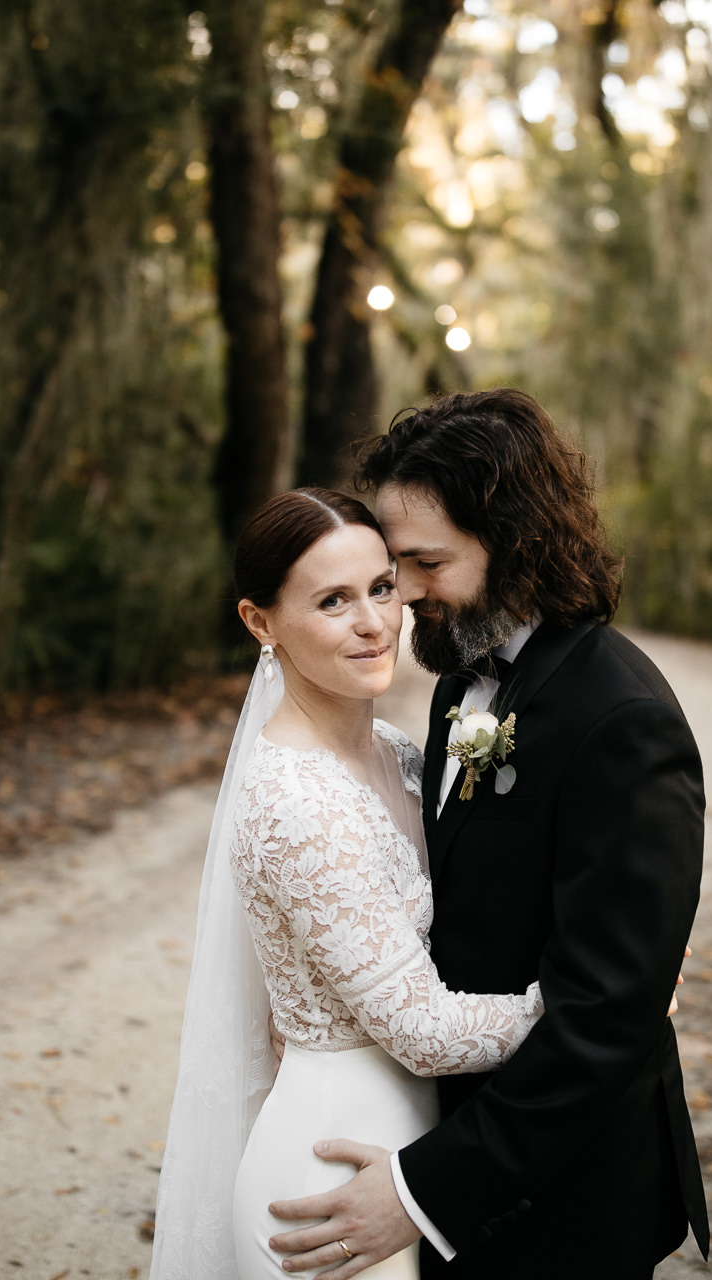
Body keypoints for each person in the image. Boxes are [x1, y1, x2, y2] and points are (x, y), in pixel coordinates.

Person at [263, 388, 710, 1278]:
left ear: (517, 540)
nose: (406, 595)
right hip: (459, 1138)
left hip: (563, 1191)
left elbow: (603, 1022)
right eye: (399, 564)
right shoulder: (459, 676)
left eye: (427, 563)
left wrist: (426, 1192)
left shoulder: (621, 721)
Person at [149, 487, 548, 1280]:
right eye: (333, 601)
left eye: (382, 587)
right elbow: (423, 1031)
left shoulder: (401, 754)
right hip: (329, 1177)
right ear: (260, 623)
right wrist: (590, 997)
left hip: (405, 1158)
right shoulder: (298, 802)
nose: (374, 624)